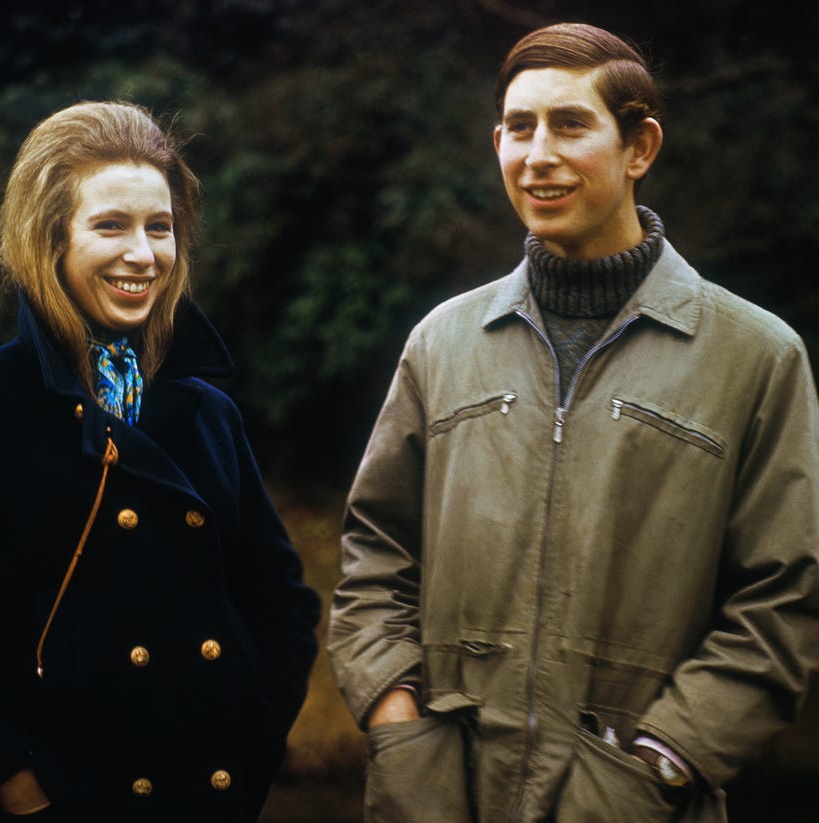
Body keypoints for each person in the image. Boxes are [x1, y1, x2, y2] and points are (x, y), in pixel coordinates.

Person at [328, 21, 819, 823]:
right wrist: (397, 723)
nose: (538, 154)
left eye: (570, 124)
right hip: (441, 798)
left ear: (639, 147)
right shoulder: (441, 342)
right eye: (519, 127)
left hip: (637, 802)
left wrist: (661, 763)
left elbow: (783, 602)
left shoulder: (757, 357)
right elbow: (375, 556)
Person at [0, 100, 321, 822]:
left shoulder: (206, 411)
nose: (143, 253)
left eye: (160, 227)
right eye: (110, 225)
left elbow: (282, 602)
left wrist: (248, 741)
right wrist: (8, 784)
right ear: (49, 238)